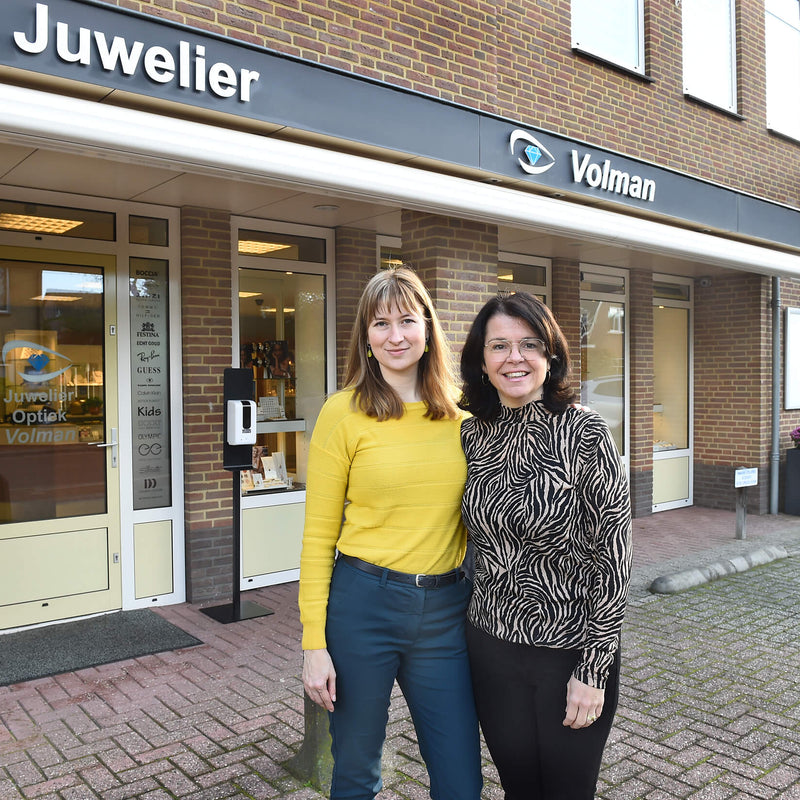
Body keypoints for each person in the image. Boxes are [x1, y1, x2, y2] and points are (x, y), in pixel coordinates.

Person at [298, 267, 483, 800]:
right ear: (366, 335)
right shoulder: (343, 413)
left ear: (428, 328)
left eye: (407, 320)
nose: (395, 335)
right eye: (381, 323)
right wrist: (314, 645)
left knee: (460, 776)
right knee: (356, 771)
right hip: (363, 606)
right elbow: (317, 537)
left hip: (445, 610)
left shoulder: (466, 413)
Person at [459, 291, 632, 800]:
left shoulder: (585, 431)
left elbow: (614, 557)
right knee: (518, 789)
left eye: (529, 344)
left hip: (569, 652)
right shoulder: (472, 436)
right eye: (499, 346)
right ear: (481, 361)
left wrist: (593, 669)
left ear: (550, 355)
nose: (514, 358)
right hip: (490, 648)